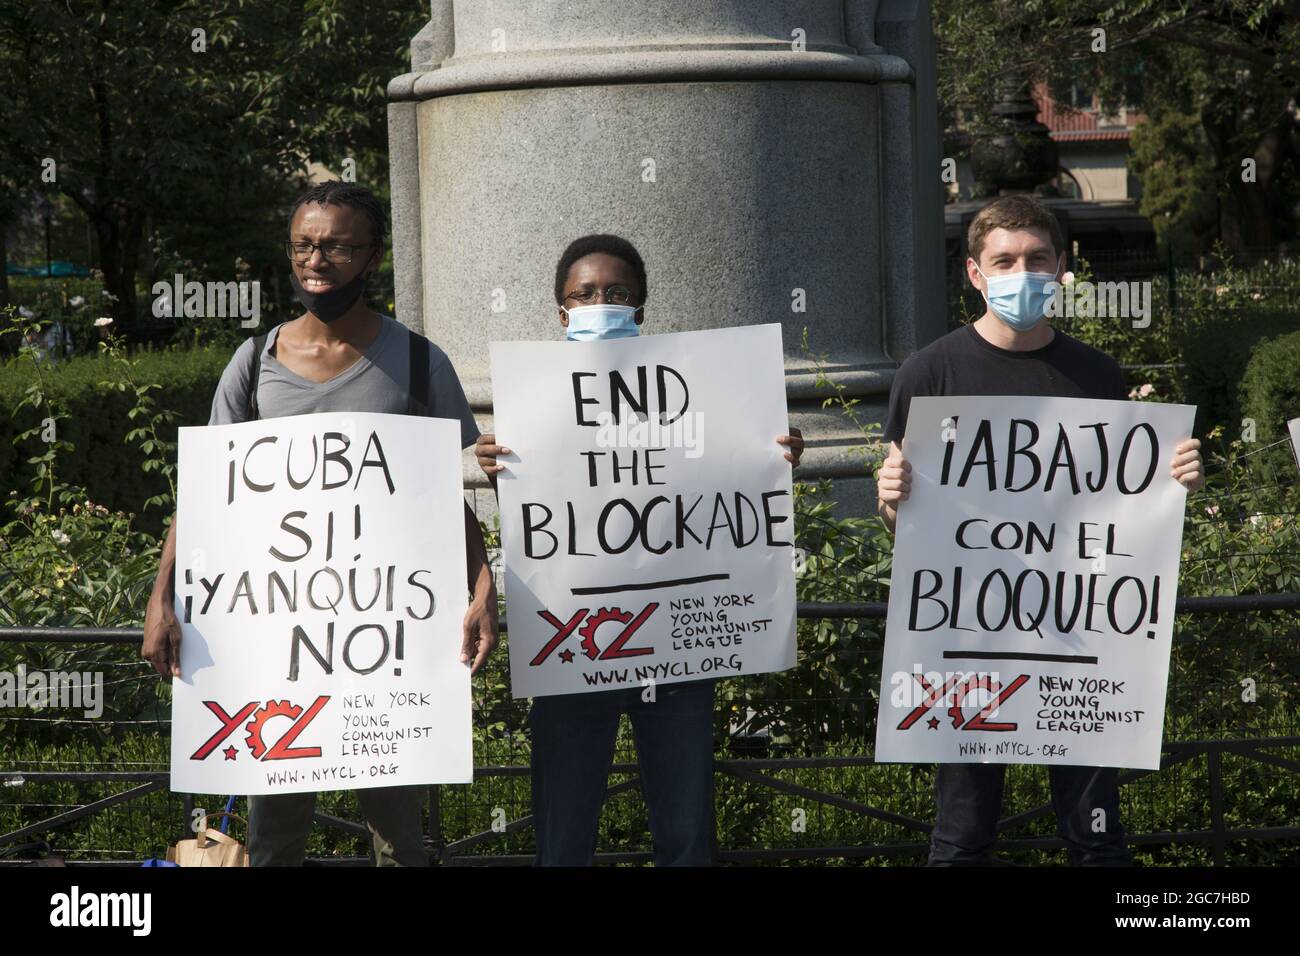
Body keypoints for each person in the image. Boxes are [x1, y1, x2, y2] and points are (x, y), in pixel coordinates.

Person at [140, 181, 498, 866]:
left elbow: (443, 498)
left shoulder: (421, 363)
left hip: (384, 650)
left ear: (371, 257)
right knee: (275, 844)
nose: (317, 260)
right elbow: (208, 494)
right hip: (276, 650)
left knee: (400, 844)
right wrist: (161, 598)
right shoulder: (253, 364)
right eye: (304, 244)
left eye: (336, 245)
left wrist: (483, 589)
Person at [875, 194, 1204, 866]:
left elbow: (1123, 507)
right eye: (1004, 261)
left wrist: (1174, 479)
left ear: (1060, 269)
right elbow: (906, 525)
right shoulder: (928, 374)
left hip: (1080, 644)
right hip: (965, 641)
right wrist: (890, 499)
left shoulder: (1096, 374)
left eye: (1036, 259)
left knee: (1096, 837)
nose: (1021, 272)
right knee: (962, 836)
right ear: (974, 272)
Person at [475, 234, 803, 866]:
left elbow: (725, 474)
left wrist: (771, 455)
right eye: (585, 293)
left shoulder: (698, 391)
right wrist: (503, 469)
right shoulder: (537, 404)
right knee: (562, 834)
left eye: (617, 292)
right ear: (561, 313)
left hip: (677, 654)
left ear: (642, 308)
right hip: (572, 646)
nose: (602, 302)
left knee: (684, 833)